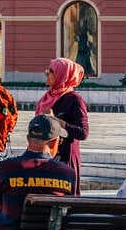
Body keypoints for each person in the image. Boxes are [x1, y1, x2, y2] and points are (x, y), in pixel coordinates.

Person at [35, 57, 89, 193]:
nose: (46, 73)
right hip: (44, 154)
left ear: (62, 75)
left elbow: (83, 133)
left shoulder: (74, 99)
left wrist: (58, 122)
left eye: (51, 71)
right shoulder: (47, 97)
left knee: (65, 198)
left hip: (65, 157)